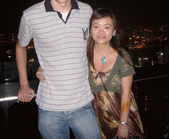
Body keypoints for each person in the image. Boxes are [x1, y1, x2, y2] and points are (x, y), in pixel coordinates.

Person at [16, 0, 101, 139]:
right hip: (49, 108)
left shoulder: (87, 11)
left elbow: (94, 46)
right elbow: (20, 46)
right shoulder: (30, 15)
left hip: (83, 104)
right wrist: (24, 83)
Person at [37, 8, 144, 138]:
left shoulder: (122, 56)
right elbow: (62, 61)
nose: (101, 31)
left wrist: (123, 124)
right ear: (90, 30)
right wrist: (42, 68)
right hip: (95, 118)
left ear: (114, 31)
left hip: (121, 115)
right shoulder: (84, 54)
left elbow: (126, 94)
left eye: (107, 27)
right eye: (96, 26)